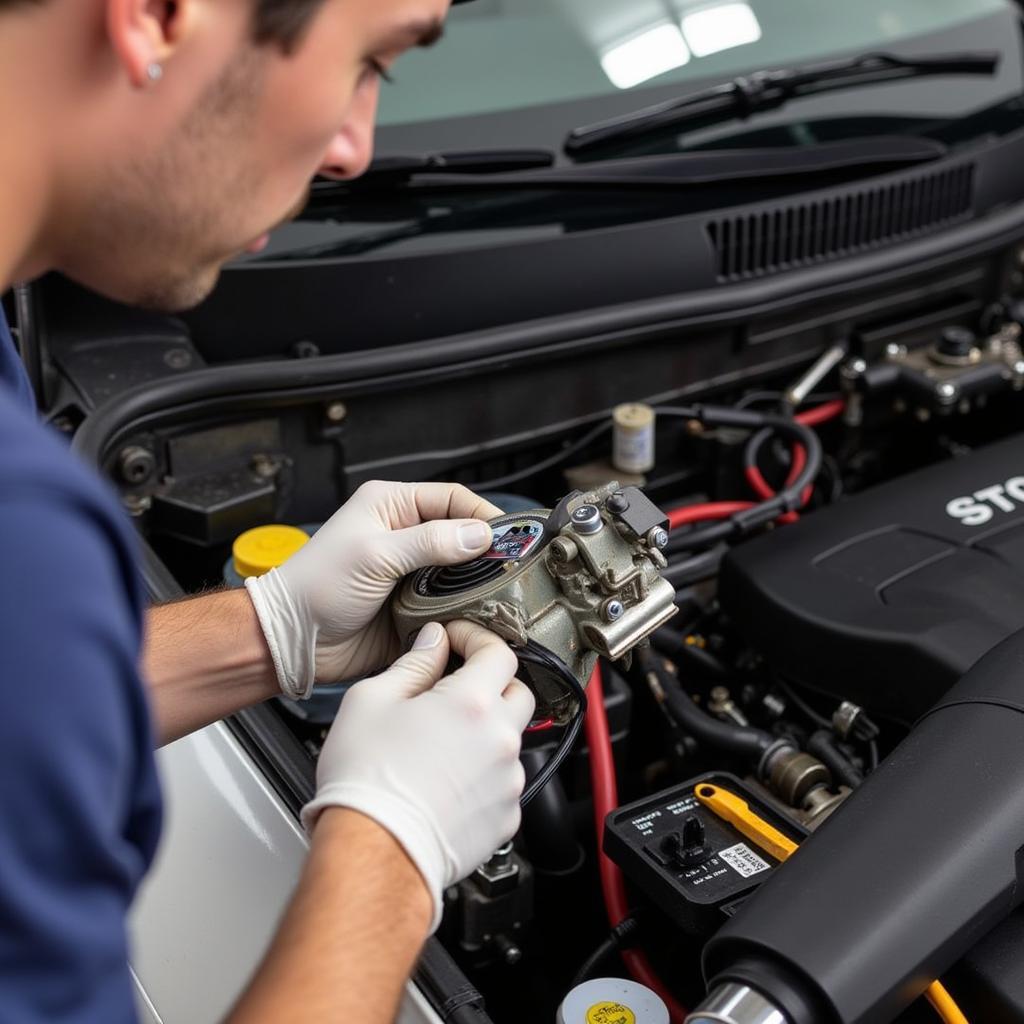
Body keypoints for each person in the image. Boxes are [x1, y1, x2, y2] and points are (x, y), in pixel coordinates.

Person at [0, 1, 535, 1021]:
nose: (353, 148)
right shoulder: (26, 533)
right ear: (158, 15)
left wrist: (273, 630)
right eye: (370, 62)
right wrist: (391, 847)